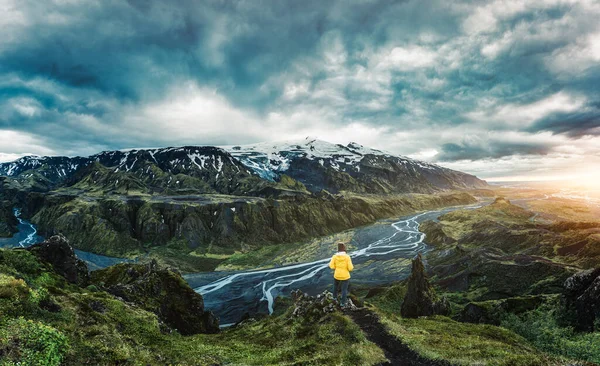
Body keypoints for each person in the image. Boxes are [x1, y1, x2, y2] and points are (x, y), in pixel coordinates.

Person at [329, 242, 354, 307]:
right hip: (345, 276)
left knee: (335, 287)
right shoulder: (347, 257)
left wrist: (336, 268)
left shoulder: (334, 256)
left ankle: (334, 298)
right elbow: (350, 268)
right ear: (344, 248)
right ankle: (342, 303)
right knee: (344, 290)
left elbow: (331, 266)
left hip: (337, 275)